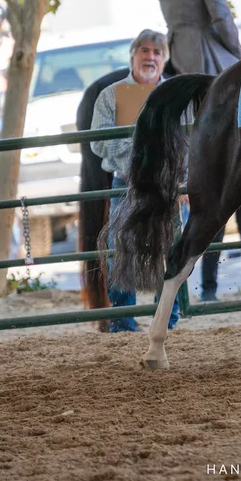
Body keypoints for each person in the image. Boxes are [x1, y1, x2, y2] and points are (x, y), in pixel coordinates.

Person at [159, 0, 241, 300]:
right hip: (209, 61)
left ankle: (207, 288)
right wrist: (239, 55)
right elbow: (221, 19)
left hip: (180, 63)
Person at [88, 30, 180, 333]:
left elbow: (188, 143)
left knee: (172, 249)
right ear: (133, 56)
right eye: (144, 50)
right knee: (120, 249)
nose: (150, 57)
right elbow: (99, 144)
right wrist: (143, 140)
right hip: (125, 183)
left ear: (164, 59)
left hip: (168, 184)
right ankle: (122, 319)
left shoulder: (175, 95)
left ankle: (169, 316)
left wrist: (187, 183)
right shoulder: (111, 95)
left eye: (157, 52)